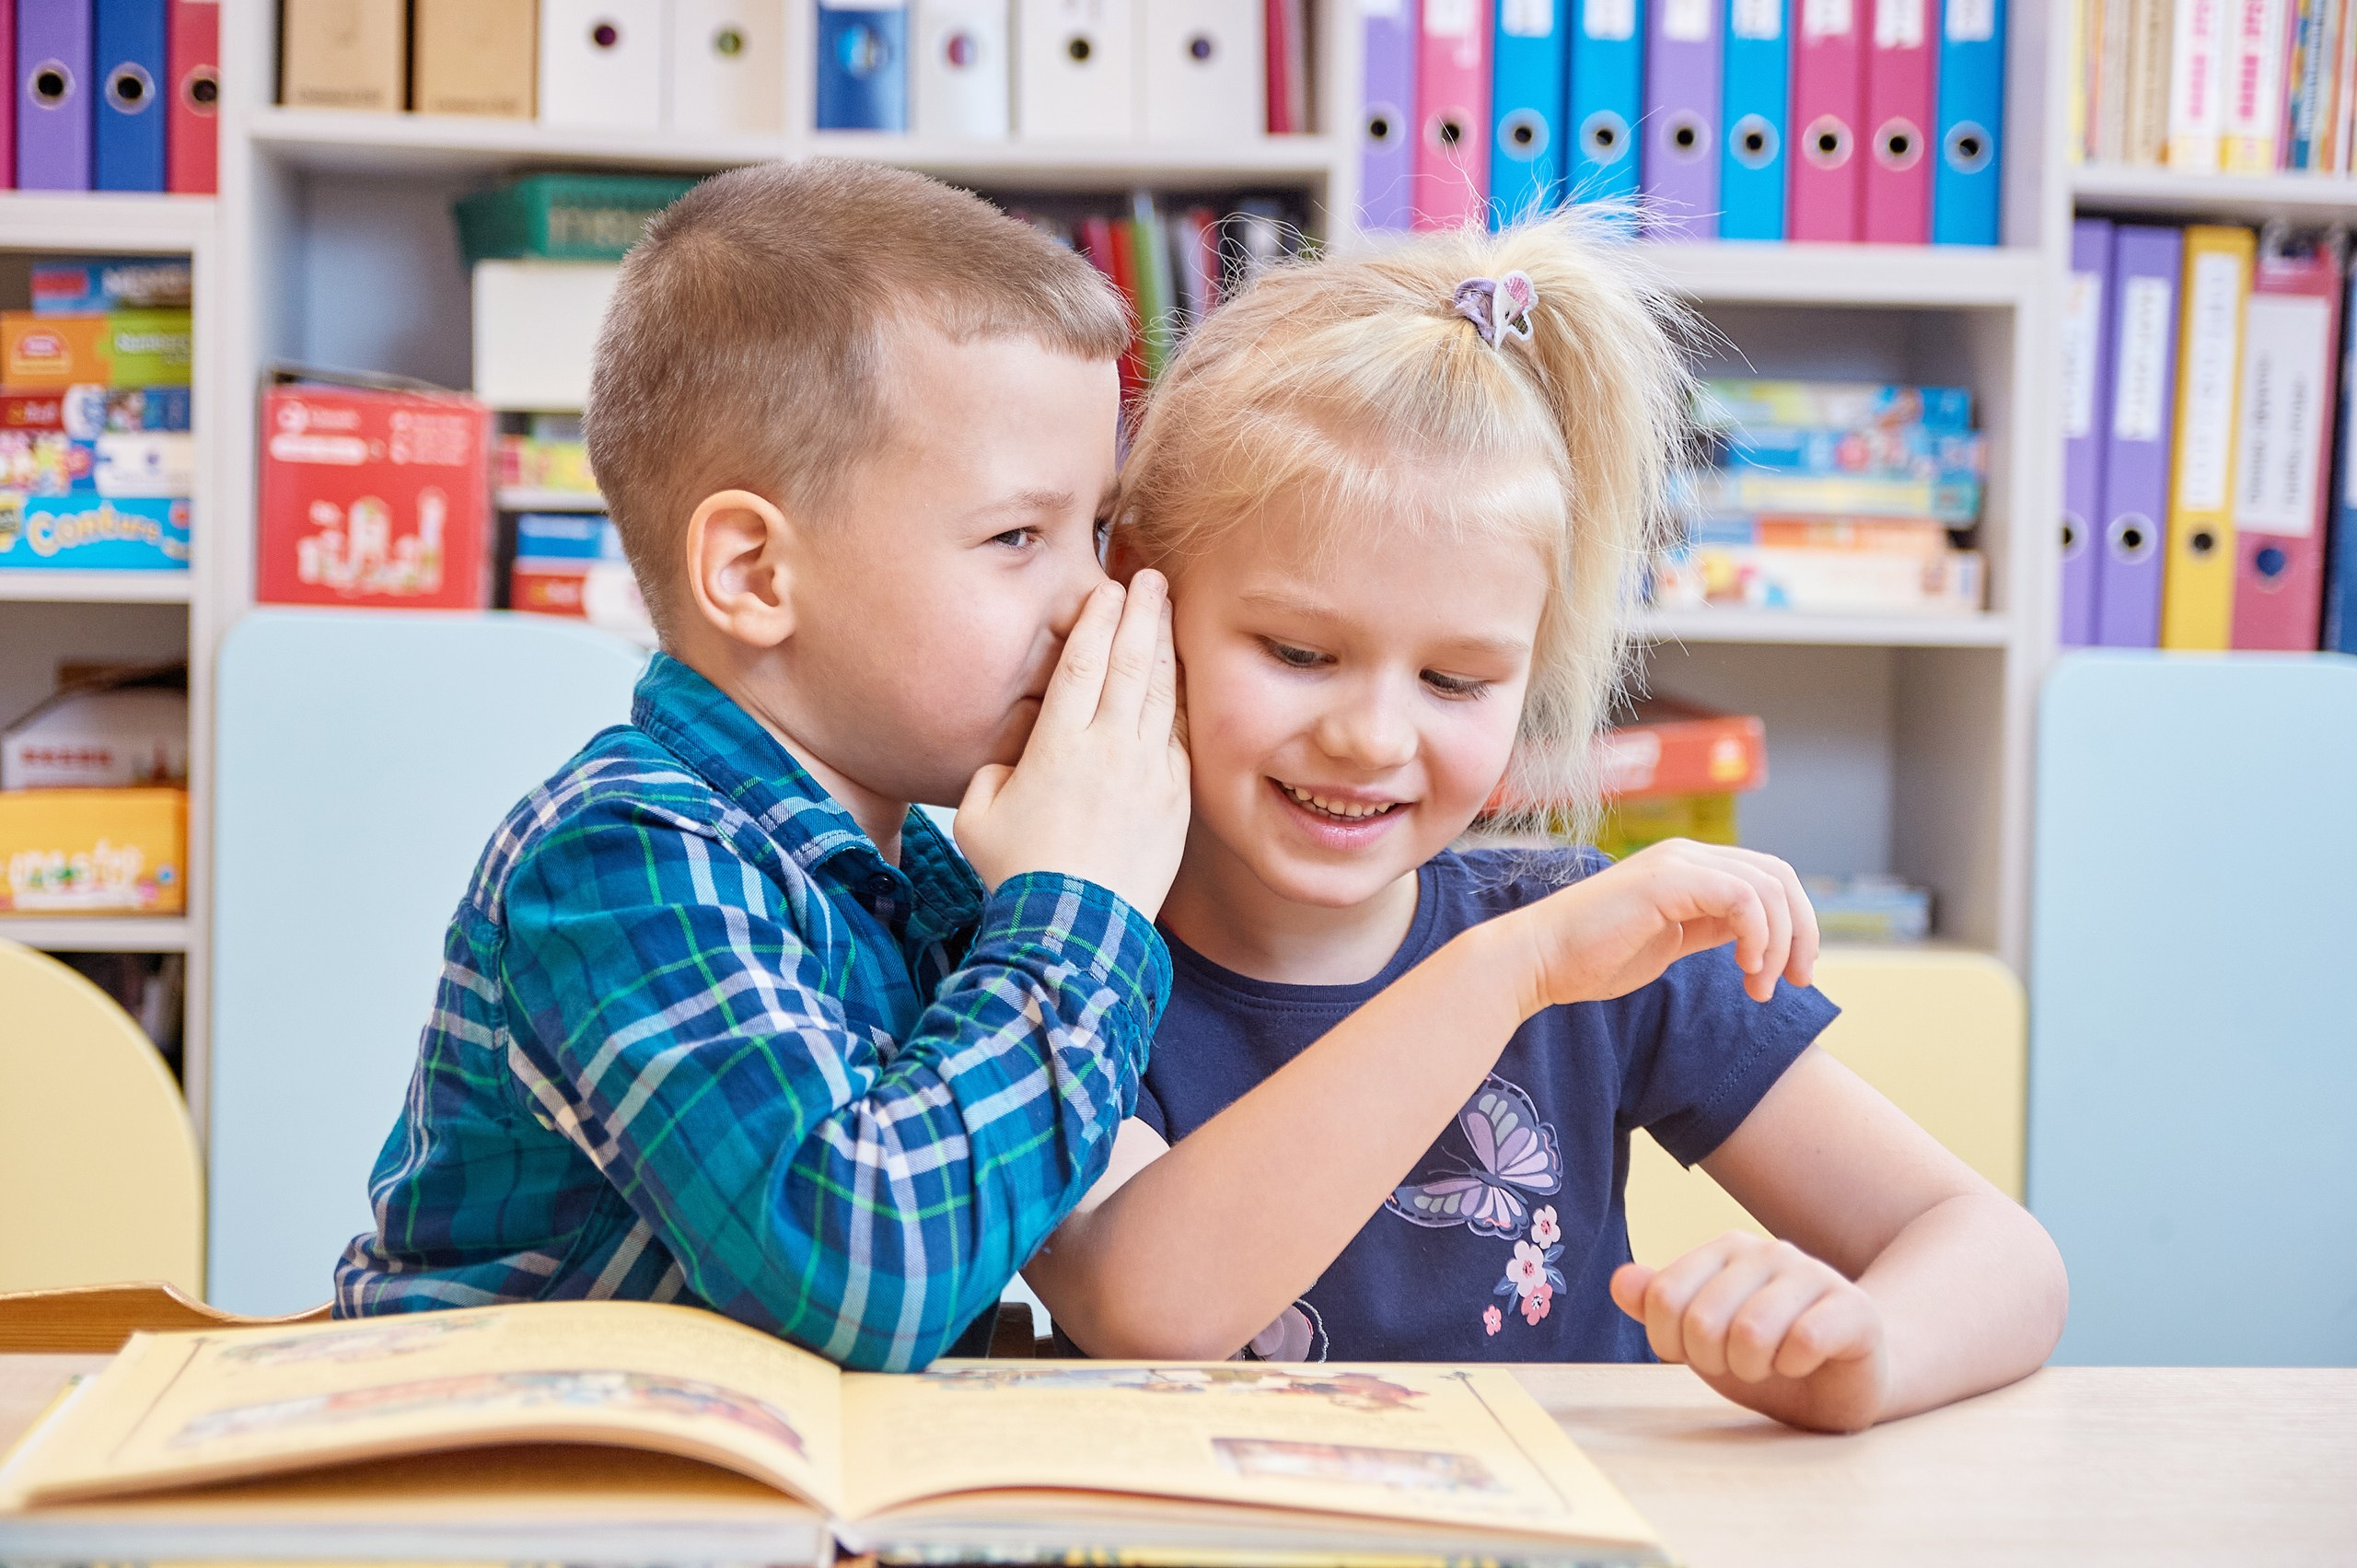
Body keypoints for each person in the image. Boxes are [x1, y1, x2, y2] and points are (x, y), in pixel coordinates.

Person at [1021, 213, 2066, 1433]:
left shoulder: (1591, 946)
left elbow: (2000, 1257)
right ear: (1141, 592)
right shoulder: (1064, 963)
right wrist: (1513, 972)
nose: (1373, 736)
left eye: (1457, 681)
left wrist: (1863, 1345)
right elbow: (1145, 1303)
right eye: (1300, 652)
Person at [336, 160, 1190, 1372]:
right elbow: (865, 1280)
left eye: (1093, 531)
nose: (1090, 599)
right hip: (492, 1502)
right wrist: (1083, 912)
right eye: (1017, 537)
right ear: (752, 575)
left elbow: (1096, 1179)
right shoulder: (617, 859)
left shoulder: (929, 882)